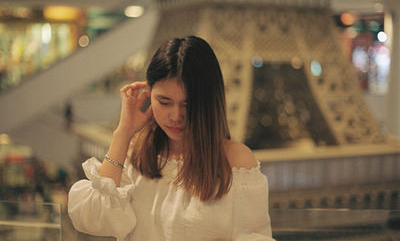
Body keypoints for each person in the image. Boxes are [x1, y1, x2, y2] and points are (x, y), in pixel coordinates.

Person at [68, 36, 275, 241]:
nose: (176, 116)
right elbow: (94, 220)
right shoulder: (136, 153)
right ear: (148, 94)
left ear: (208, 102)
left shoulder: (235, 161)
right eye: (164, 102)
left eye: (187, 104)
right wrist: (123, 132)